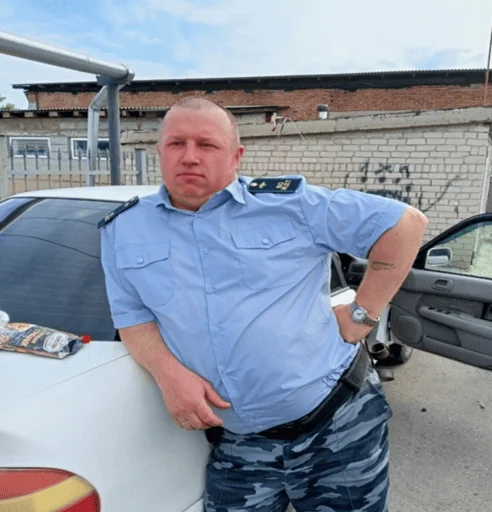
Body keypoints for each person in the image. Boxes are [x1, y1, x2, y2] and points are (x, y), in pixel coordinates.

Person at [100, 97, 428, 512]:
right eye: (176, 143)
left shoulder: (291, 205)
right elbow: (133, 317)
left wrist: (362, 314)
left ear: (236, 156)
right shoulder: (123, 229)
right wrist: (169, 375)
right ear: (158, 151)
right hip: (240, 444)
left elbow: (404, 225)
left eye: (207, 144)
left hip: (337, 426)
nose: (190, 156)